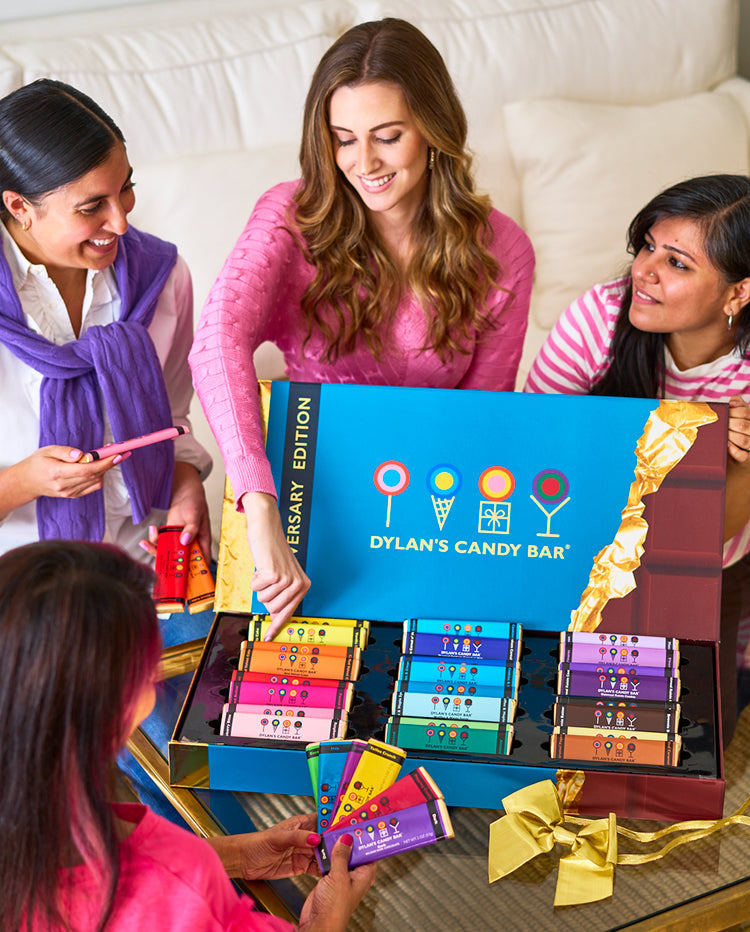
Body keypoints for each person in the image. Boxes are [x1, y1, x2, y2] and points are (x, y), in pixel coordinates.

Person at [189, 18, 535, 636]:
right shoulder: (290, 219)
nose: (363, 162)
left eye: (388, 136)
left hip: (436, 500)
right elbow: (216, 341)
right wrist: (260, 512)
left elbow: (481, 416)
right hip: (303, 494)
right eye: (342, 139)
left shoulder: (502, 249)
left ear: (435, 129)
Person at [0, 540, 376, 932]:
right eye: (150, 672)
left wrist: (236, 855)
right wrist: (326, 920)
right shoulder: (182, 900)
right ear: (120, 706)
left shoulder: (49, 819)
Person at [524, 173, 750, 743]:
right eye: (647, 246)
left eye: (676, 263)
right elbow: (533, 449)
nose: (642, 272)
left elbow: (713, 540)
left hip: (706, 567)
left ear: (737, 293)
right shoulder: (598, 318)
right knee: (542, 727)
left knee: (691, 746)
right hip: (579, 546)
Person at [0, 79, 211, 563]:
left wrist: (184, 488)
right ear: (19, 207)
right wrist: (24, 482)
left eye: (126, 189)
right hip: (19, 587)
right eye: (92, 206)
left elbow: (171, 422)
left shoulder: (163, 277)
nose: (120, 223)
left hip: (144, 568)